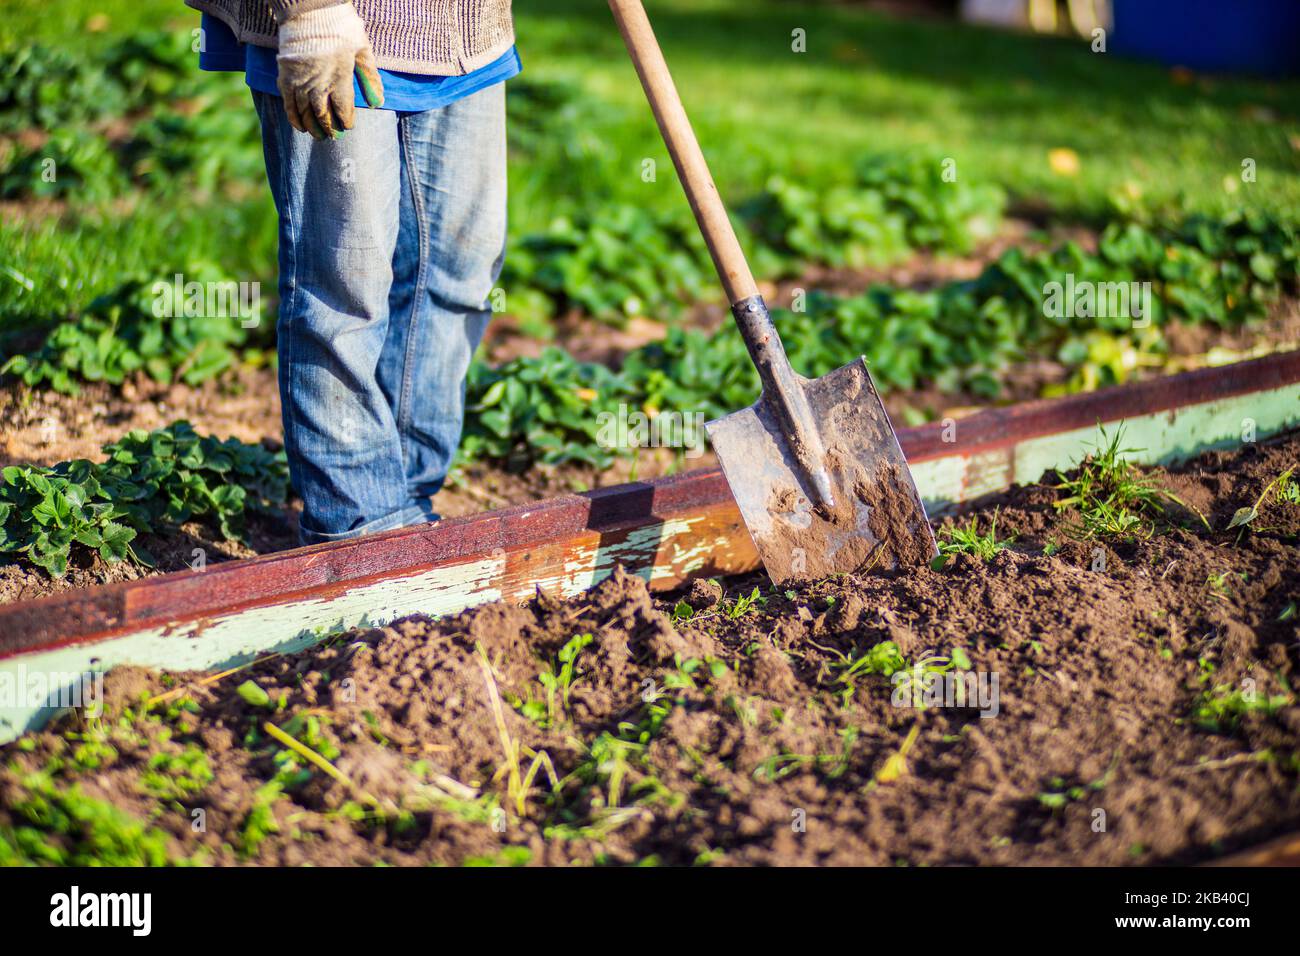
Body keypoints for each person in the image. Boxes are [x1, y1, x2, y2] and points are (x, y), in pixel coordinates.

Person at [188, 0, 517, 543]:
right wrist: (311, 14)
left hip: (467, 25)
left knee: (459, 269)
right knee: (345, 283)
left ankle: (406, 502)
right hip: (340, 27)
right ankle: (359, 529)